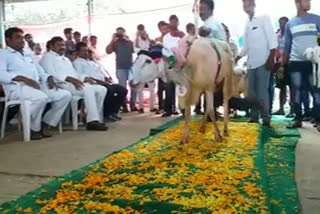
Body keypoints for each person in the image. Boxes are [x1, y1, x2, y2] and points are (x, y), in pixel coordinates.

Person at [0, 28, 72, 140]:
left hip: (36, 85)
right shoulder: (3, 54)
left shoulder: (27, 54)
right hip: (17, 87)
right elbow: (1, 74)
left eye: (22, 37)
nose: (22, 40)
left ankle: (45, 123)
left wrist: (48, 78)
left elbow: (40, 70)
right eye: (18, 37)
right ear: (8, 40)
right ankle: (33, 128)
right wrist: (23, 78)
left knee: (64, 95)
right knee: (41, 98)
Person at [40, 36, 108, 131]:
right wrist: (69, 78)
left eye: (63, 45)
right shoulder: (47, 57)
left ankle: (98, 118)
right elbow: (51, 74)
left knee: (102, 89)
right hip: (62, 84)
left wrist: (85, 78)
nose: (62, 47)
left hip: (74, 82)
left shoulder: (65, 59)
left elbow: (74, 73)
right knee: (88, 89)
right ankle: (92, 121)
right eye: (58, 45)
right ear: (51, 46)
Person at [235, 0, 278, 128]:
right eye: (244, 5)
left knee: (262, 92)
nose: (246, 7)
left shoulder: (264, 17)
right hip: (251, 63)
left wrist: (271, 58)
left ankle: (266, 119)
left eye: (248, 4)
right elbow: (246, 45)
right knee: (251, 93)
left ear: (254, 4)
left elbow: (272, 38)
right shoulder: (247, 22)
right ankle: (254, 117)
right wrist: (237, 57)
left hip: (264, 61)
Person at [284, 0, 320, 128]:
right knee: (296, 92)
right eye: (307, 0)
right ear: (298, 3)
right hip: (296, 62)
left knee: (316, 92)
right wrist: (283, 65)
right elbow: (287, 46)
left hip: (313, 63)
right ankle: (297, 118)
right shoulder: (290, 24)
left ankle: (318, 119)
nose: (309, 3)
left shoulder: (317, 19)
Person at [73, 42, 128, 122]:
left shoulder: (91, 62)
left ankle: (113, 112)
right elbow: (83, 76)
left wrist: (106, 78)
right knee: (109, 90)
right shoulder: (77, 63)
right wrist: (99, 82)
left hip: (103, 82)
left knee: (122, 90)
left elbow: (100, 72)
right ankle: (106, 114)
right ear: (78, 52)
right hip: (93, 83)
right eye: (83, 51)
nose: (86, 53)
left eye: (87, 51)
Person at [106, 27, 136, 112]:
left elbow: (135, 50)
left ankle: (133, 105)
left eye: (121, 33)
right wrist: (112, 40)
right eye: (118, 33)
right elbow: (108, 51)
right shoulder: (115, 43)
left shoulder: (130, 42)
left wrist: (127, 39)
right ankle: (124, 105)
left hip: (130, 67)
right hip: (120, 68)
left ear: (124, 32)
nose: (120, 35)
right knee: (123, 88)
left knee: (134, 86)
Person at [161, 15, 185, 117]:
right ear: (169, 23)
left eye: (176, 21)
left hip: (181, 64)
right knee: (169, 86)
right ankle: (168, 109)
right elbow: (165, 50)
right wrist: (171, 61)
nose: (174, 24)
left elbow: (185, 48)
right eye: (172, 22)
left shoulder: (182, 35)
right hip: (169, 63)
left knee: (182, 87)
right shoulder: (166, 37)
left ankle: (183, 108)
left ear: (178, 23)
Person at [273, 17, 293, 116]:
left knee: (292, 87)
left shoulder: (291, 35)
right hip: (280, 65)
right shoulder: (277, 36)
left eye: (284, 23)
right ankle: (281, 109)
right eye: (280, 23)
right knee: (281, 87)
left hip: (291, 63)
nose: (282, 25)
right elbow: (275, 50)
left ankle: (292, 110)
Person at [154, 21, 170, 114]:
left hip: (169, 65)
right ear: (160, 29)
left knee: (170, 87)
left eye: (166, 28)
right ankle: (161, 106)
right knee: (160, 87)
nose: (165, 30)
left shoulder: (170, 39)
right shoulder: (157, 39)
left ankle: (171, 107)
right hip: (160, 65)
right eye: (163, 29)